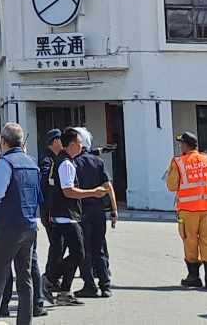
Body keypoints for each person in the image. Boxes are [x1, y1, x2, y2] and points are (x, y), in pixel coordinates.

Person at [0, 121, 44, 325]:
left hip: (9, 225)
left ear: (3, 141)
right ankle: (24, 321)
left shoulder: (5, 162)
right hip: (30, 224)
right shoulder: (32, 163)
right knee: (24, 276)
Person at [66, 127, 116, 298]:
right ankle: (106, 285)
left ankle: (89, 285)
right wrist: (114, 210)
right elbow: (108, 187)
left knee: (85, 250)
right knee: (99, 248)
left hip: (81, 210)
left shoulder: (72, 163)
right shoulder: (98, 162)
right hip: (98, 211)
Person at [166, 131, 207, 289]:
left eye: (181, 143)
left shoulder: (178, 162)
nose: (180, 145)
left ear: (185, 145)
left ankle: (193, 276)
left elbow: (171, 186)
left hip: (188, 210)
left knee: (190, 241)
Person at [40, 130, 86, 306]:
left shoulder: (59, 160)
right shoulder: (65, 163)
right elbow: (68, 191)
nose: (82, 146)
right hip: (66, 215)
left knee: (66, 253)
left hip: (60, 214)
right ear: (72, 144)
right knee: (78, 253)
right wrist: (93, 193)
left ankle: (64, 291)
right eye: (80, 142)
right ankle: (50, 278)